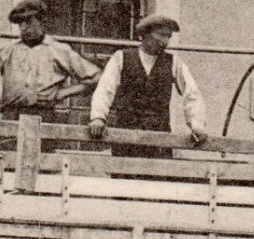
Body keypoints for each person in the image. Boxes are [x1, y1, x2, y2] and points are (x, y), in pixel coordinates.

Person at [87, 14, 208, 157]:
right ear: (145, 34)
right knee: (124, 176)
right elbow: (105, 89)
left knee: (157, 176)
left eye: (168, 36)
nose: (165, 42)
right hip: (126, 134)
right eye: (161, 35)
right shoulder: (121, 57)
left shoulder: (174, 62)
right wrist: (98, 117)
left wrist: (197, 125)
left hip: (159, 136)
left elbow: (192, 94)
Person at [0, 0, 103, 122]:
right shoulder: (7, 51)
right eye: (19, 22)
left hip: (44, 116)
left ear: (41, 21)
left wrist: (63, 93)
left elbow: (97, 78)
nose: (23, 27)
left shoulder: (58, 50)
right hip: (10, 117)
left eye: (28, 21)